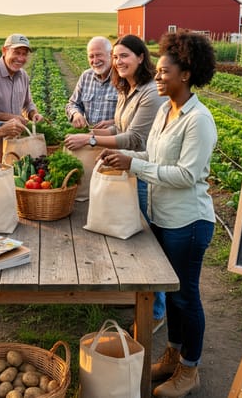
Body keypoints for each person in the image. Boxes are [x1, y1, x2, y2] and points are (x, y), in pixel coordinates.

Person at [99, 30, 217, 397]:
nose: (159, 76)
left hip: (189, 222)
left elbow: (186, 175)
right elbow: (154, 157)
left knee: (185, 297)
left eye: (165, 71)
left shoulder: (198, 120)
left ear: (186, 74)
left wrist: (134, 167)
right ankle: (172, 357)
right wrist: (127, 158)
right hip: (162, 217)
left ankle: (190, 370)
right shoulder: (167, 110)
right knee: (172, 291)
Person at [64, 34, 167, 332]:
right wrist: (109, 126)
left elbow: (136, 138)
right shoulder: (127, 88)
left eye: (124, 56)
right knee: (126, 232)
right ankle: (133, 296)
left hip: (142, 171)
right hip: (124, 166)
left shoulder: (149, 92)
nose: (118, 62)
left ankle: (156, 311)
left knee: (147, 242)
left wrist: (92, 138)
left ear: (140, 57)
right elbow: (123, 126)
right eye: (117, 57)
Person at [0, 33, 45, 123]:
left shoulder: (23, 75)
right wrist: (9, 117)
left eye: (24, 54)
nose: (20, 58)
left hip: (16, 135)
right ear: (4, 51)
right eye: (16, 52)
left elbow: (27, 104)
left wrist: (33, 114)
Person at [65, 36, 117, 128]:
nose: (95, 61)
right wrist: (76, 114)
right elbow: (73, 103)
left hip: (115, 139)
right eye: (91, 56)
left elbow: (133, 117)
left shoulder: (122, 79)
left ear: (111, 54)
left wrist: (115, 122)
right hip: (90, 137)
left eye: (99, 55)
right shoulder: (86, 76)